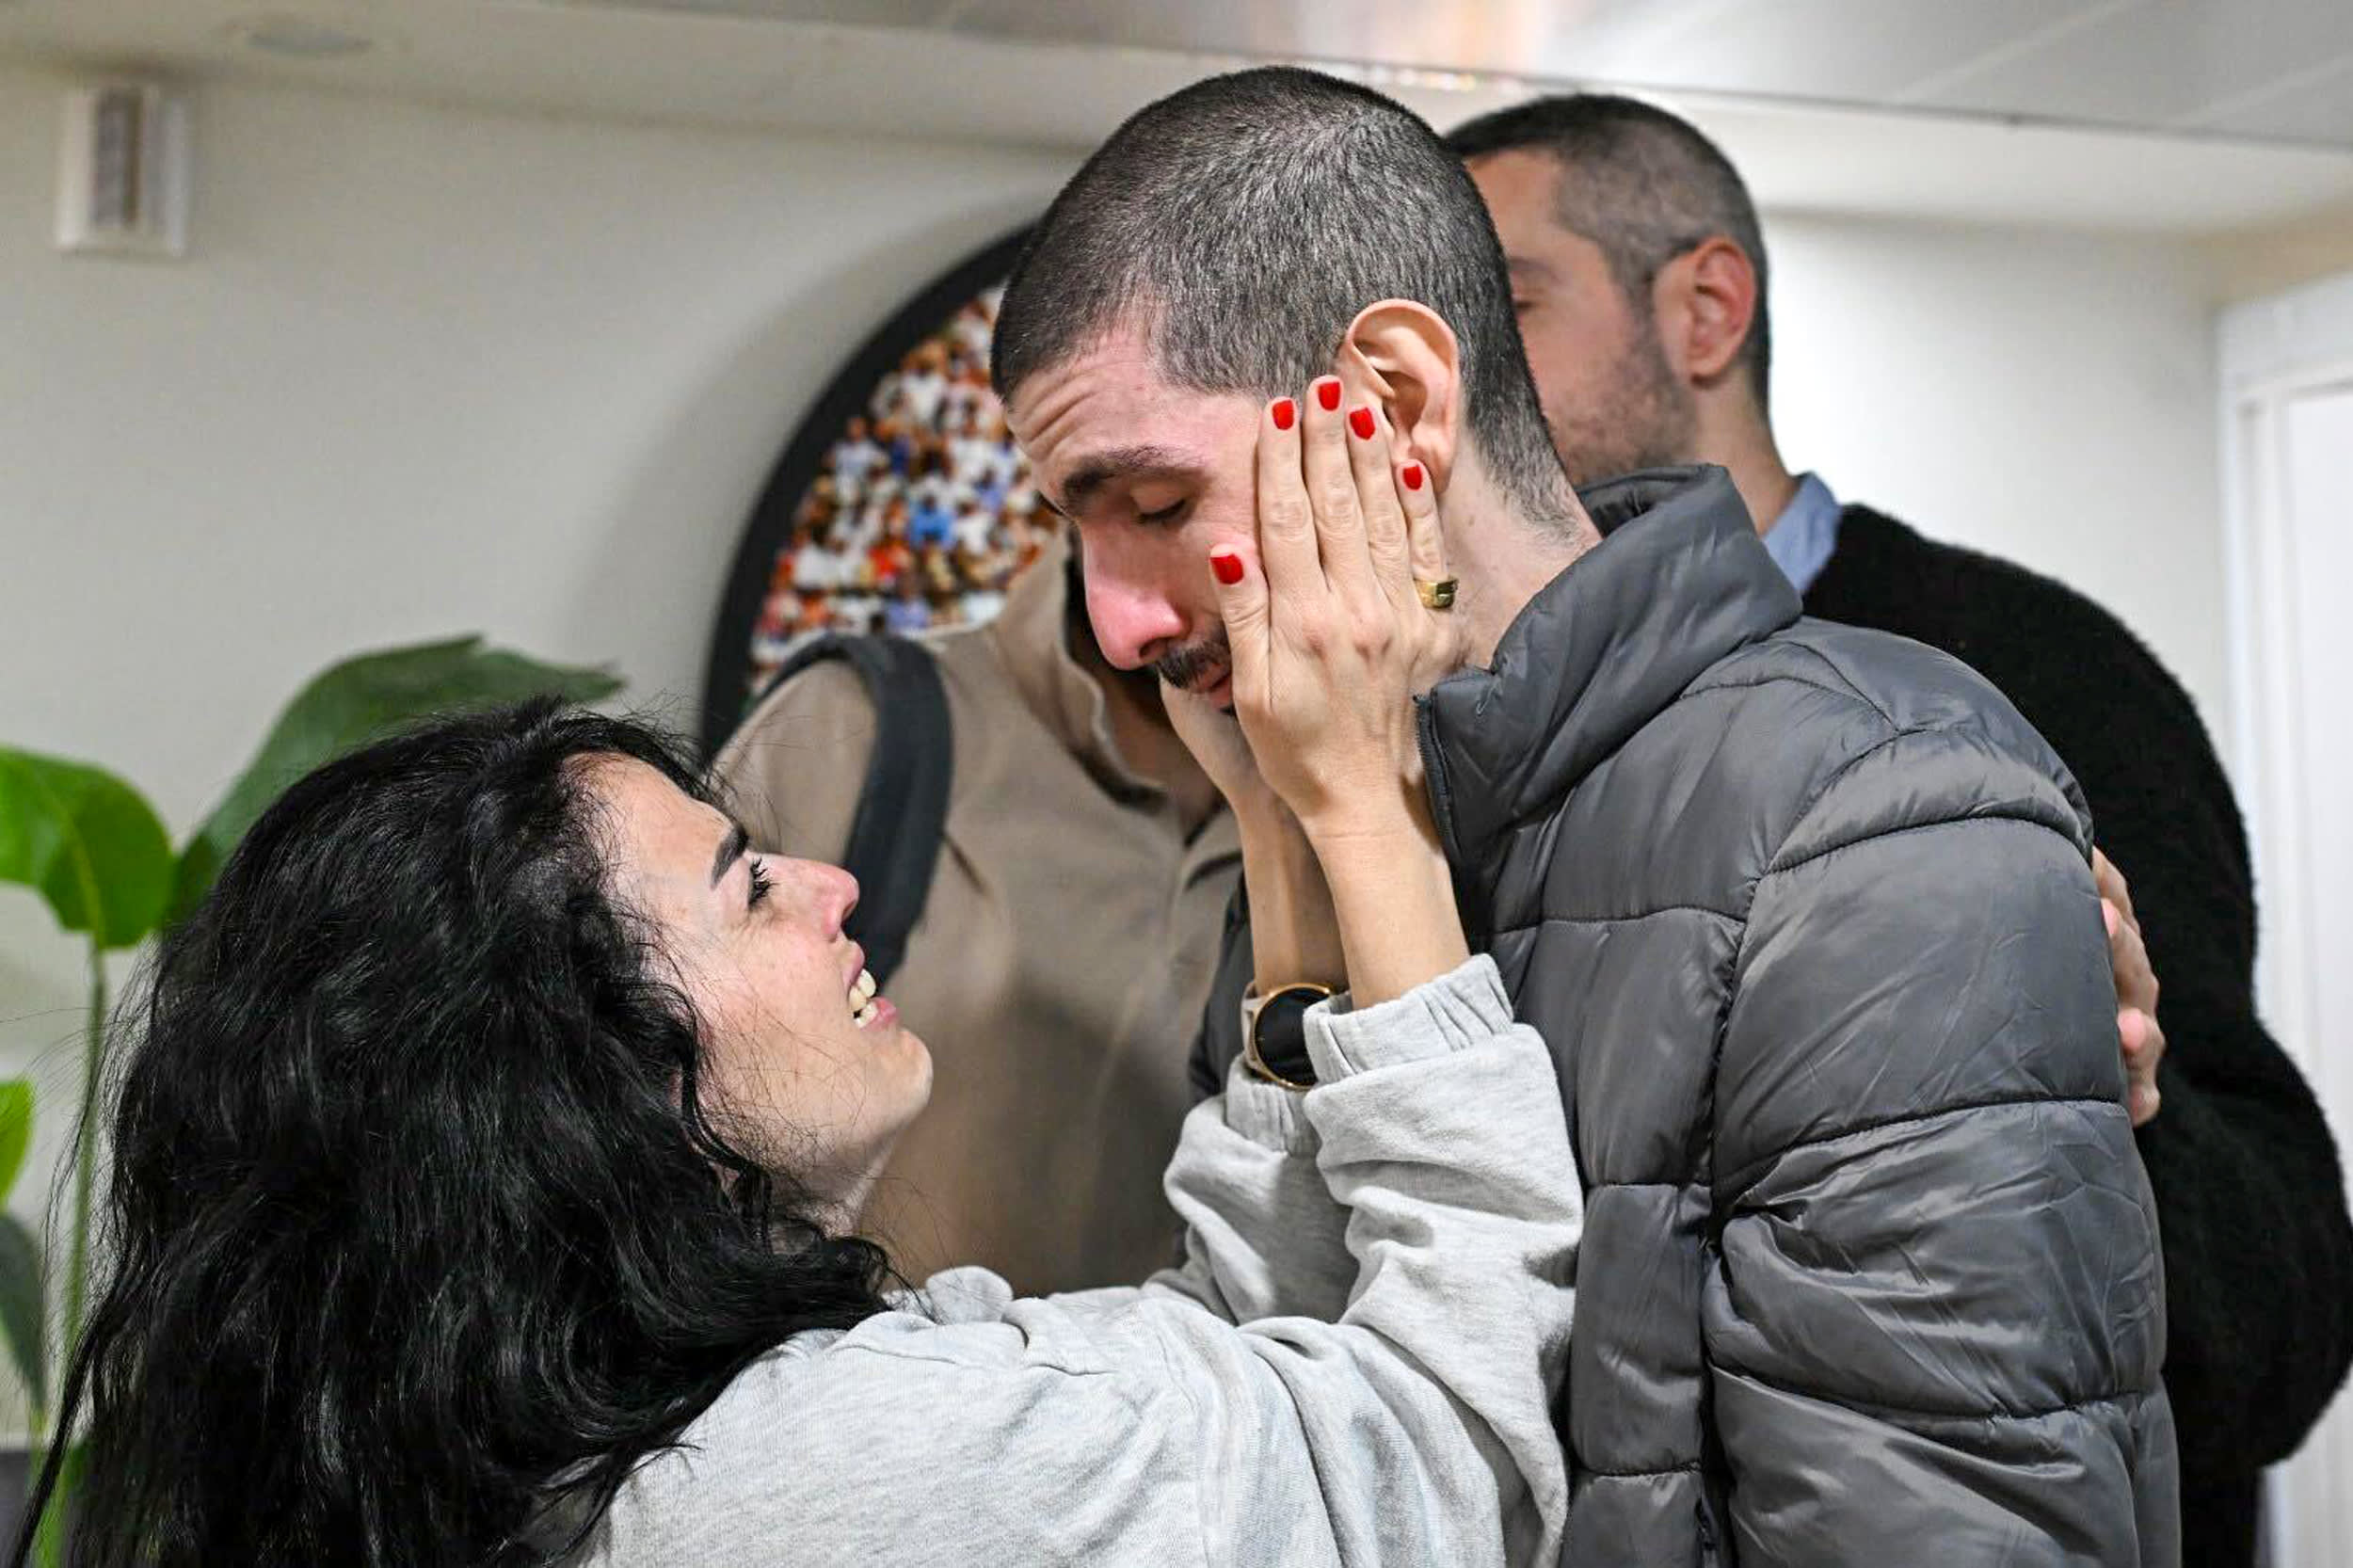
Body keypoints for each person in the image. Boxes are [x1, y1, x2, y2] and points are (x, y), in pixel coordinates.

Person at [20, 405, 1581, 1568]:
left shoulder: (619, 1430)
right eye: (747, 884)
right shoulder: (800, 1473)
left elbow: (1214, 1372)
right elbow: (1442, 1458)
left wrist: (1271, 824)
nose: (830, 888)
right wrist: (1371, 813)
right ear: (588, 1082)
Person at [994, 65, 2177, 1564]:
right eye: (1078, 530)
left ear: (1397, 404)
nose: (1110, 621)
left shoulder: (1872, 815)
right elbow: (1304, 1440)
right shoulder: (1327, 821)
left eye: (1155, 507)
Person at [1447, 91, 2353, 1567]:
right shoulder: (1482, 739)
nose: (1455, 381)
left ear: (1705, 308)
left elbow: (2280, 1311)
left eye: (1510, 306)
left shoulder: (2037, 679)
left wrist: (2089, 1102)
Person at [716, 520, 1240, 1294]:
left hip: (1191, 1403)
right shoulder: (858, 720)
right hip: (852, 1394)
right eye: (1144, 505)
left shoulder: (1373, 804)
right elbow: (644, 1101)